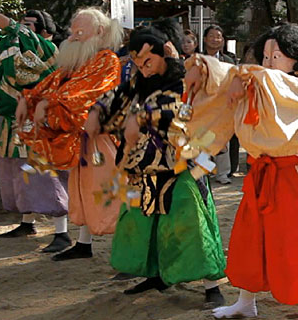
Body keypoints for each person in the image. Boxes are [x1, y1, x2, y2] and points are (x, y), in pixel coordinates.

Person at [186, 24, 298, 320]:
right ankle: (246, 302)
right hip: (260, 175)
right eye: (265, 56)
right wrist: (199, 155)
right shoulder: (254, 84)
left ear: (296, 59)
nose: (269, 62)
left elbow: (277, 84)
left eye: (277, 56)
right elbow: (221, 114)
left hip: (294, 178)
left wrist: (241, 74)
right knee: (252, 242)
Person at [85, 20, 227, 303]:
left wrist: (142, 117)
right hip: (144, 166)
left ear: (165, 51)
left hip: (182, 163)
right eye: (137, 61)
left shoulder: (188, 76)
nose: (142, 66)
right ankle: (155, 275)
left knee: (192, 222)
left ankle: (213, 286)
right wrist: (97, 110)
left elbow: (183, 110)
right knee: (145, 222)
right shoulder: (140, 80)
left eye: (147, 59)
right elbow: (118, 94)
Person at [0, 5, 68, 248]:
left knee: (46, 177)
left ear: (45, 32)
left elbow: (14, 30)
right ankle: (27, 222)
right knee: (17, 175)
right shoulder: (11, 51)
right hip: (14, 125)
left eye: (29, 25)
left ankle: (62, 231)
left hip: (42, 123)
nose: (20, 28)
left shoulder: (48, 49)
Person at [16, 7, 123, 259]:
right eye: (72, 32)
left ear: (99, 32)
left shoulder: (108, 60)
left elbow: (81, 95)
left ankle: (126, 250)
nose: (73, 37)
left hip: (101, 138)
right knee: (81, 191)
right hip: (79, 139)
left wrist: (46, 103)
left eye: (79, 32)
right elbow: (49, 86)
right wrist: (29, 99)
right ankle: (84, 244)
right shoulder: (75, 64)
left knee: (107, 192)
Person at [203, 24, 237, 183]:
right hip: (202, 106)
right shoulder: (198, 59)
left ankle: (223, 174)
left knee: (223, 140)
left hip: (223, 106)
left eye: (219, 37)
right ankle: (203, 171)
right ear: (204, 39)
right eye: (212, 36)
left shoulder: (229, 60)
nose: (216, 40)